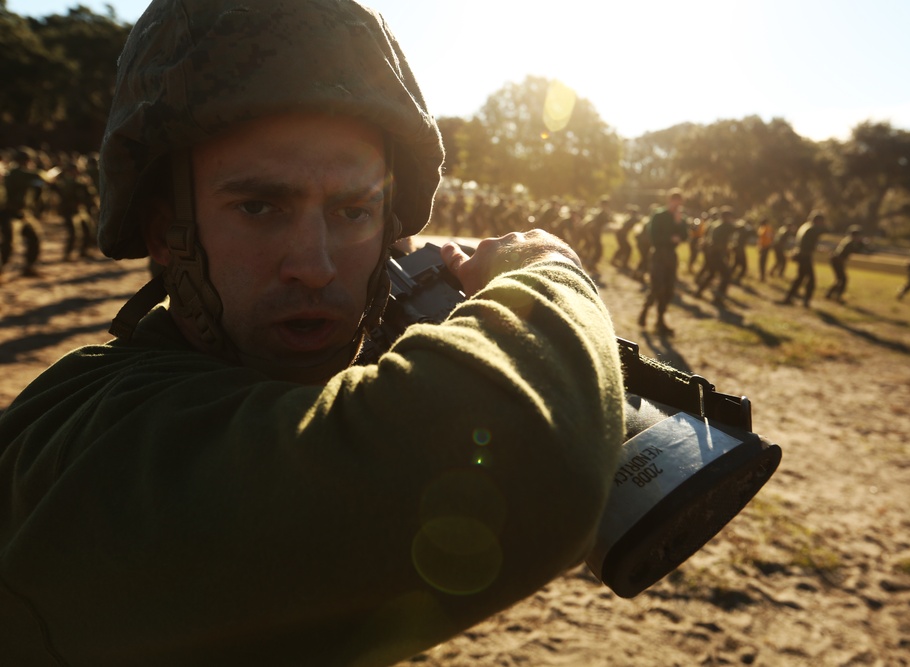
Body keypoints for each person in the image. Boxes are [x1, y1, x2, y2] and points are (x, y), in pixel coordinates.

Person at [0, 2, 627, 664]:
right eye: (259, 206)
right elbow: (540, 461)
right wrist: (549, 269)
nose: (316, 265)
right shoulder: (111, 443)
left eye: (353, 210)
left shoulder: (226, 390)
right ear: (165, 234)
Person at [638, 188, 687, 334]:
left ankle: (660, 320)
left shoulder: (680, 218)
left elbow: (685, 236)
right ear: (669, 200)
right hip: (658, 254)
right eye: (674, 201)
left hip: (671, 256)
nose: (676, 205)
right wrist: (669, 239)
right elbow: (652, 236)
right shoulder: (659, 215)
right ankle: (645, 310)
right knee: (656, 287)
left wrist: (678, 223)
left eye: (679, 202)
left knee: (669, 289)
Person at [0, 148, 43, 279]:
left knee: (35, 237)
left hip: (24, 213)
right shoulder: (16, 173)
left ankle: (29, 267)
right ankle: (1, 271)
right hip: (10, 214)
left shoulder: (25, 174)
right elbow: (38, 175)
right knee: (10, 243)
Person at [781, 211, 827, 307]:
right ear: (818, 221)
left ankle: (789, 297)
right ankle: (805, 301)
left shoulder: (805, 226)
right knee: (811, 280)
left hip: (801, 255)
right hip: (805, 256)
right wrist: (818, 249)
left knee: (800, 277)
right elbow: (809, 244)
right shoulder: (812, 229)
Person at [694, 205, 736, 303]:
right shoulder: (724, 226)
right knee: (726, 275)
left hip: (711, 253)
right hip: (716, 254)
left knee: (711, 274)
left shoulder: (715, 224)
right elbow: (736, 228)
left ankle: (698, 292)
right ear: (726, 217)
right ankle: (718, 298)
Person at [824, 225, 866, 303]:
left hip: (836, 260)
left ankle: (830, 294)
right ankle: (836, 295)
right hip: (837, 261)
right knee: (843, 279)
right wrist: (862, 244)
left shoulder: (849, 241)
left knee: (840, 279)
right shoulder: (849, 242)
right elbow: (856, 250)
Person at [756, 217, 774, 281]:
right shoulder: (765, 228)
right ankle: (762, 275)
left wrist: (762, 246)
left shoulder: (765, 228)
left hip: (764, 247)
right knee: (762, 262)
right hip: (764, 247)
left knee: (762, 262)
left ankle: (762, 276)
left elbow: (767, 238)